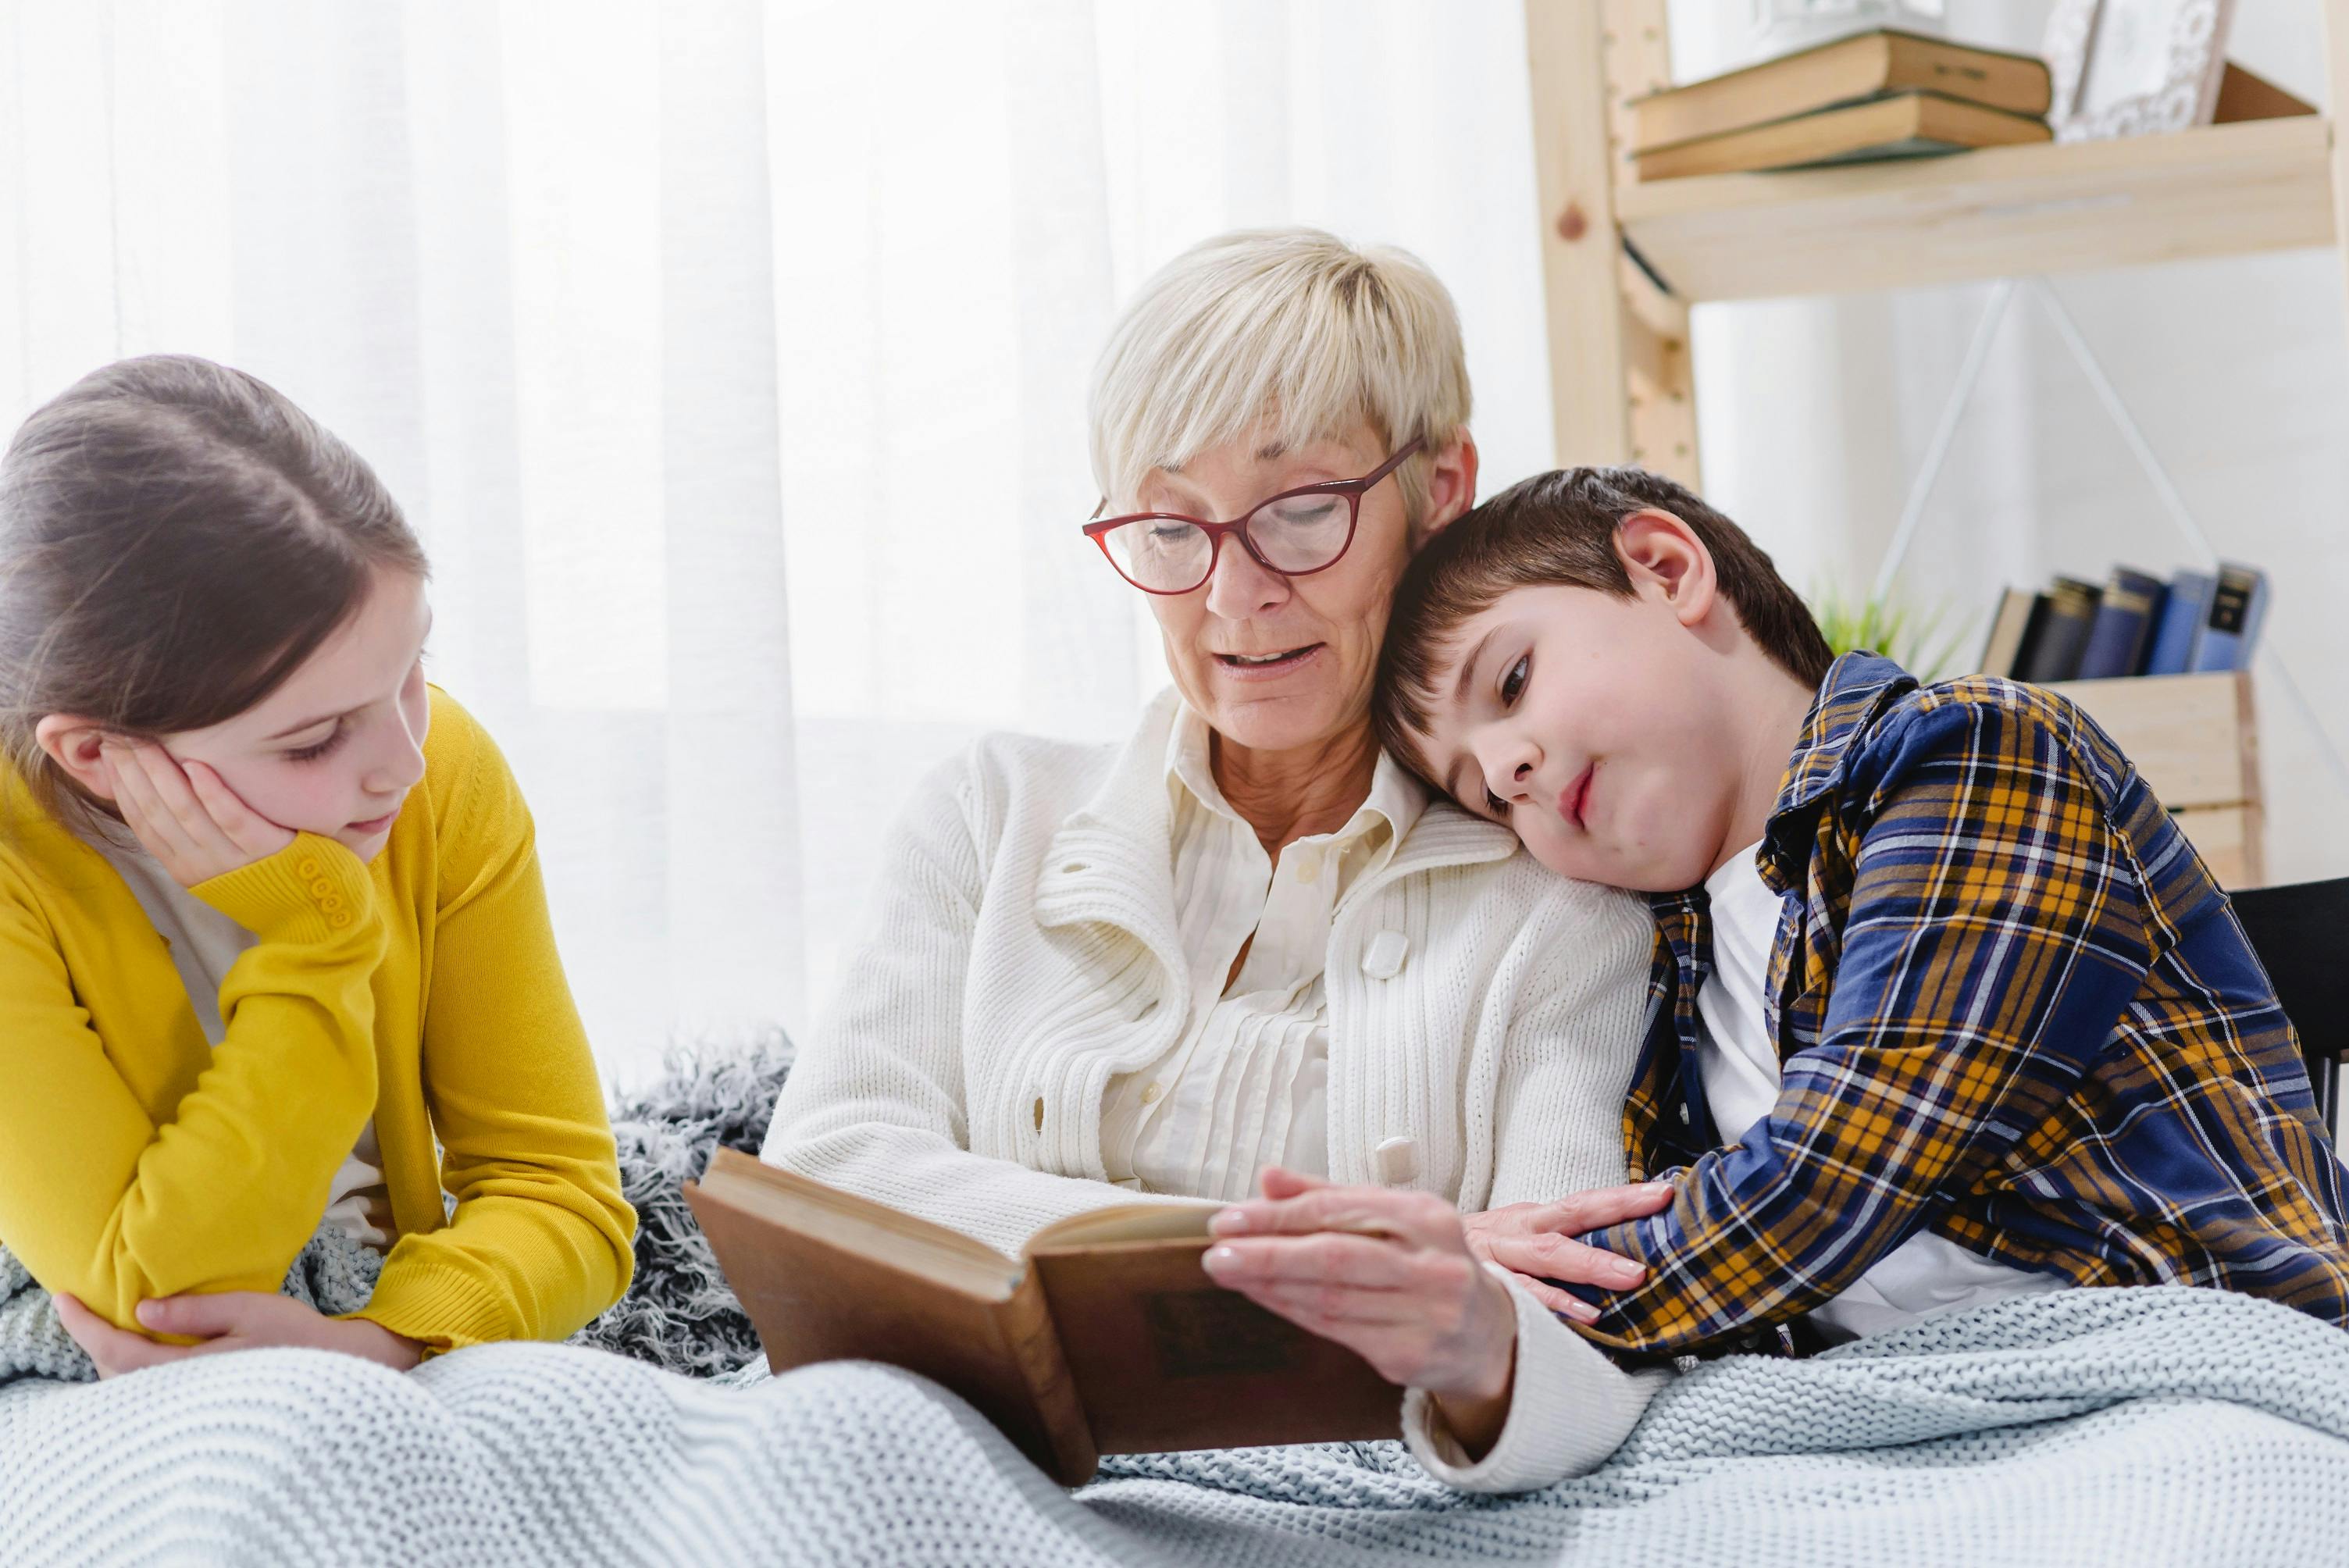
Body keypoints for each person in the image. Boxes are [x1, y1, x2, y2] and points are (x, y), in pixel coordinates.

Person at [762, 229, 1669, 1491]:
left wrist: (1469, 1328)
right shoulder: (989, 810)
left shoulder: (1558, 909)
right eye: (1169, 526)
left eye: (1299, 511)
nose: (1232, 596)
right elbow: (827, 1180)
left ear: (1439, 491)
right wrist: (1320, 1263)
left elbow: (1572, 1330)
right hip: (938, 1471)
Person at [1374, 464, 2349, 1356]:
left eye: (1509, 682)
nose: (1507, 769)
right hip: (1905, 1418)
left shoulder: (1971, 751)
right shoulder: (1668, 966)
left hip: (2198, 1347)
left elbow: (1840, 1165)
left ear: (1666, 570)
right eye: (1484, 795)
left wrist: (1481, 1297)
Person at [0, 355, 636, 1377]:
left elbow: (566, 1197)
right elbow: (157, 1308)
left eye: (413, 669)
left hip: (387, 1335)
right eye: (313, 741)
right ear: (94, 755)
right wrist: (316, 937)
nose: (404, 764)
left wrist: (383, 1341)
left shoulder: (443, 776)